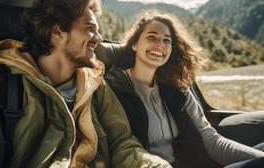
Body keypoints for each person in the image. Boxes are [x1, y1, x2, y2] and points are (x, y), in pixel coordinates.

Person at [0, 0, 172, 168]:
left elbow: (121, 144)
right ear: (58, 31)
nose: (98, 39)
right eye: (90, 29)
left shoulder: (96, 87)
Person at [104, 11, 264, 168]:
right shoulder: (114, 87)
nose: (160, 44)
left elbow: (211, 140)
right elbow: (119, 148)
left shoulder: (177, 89)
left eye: (167, 41)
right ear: (134, 44)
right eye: (151, 37)